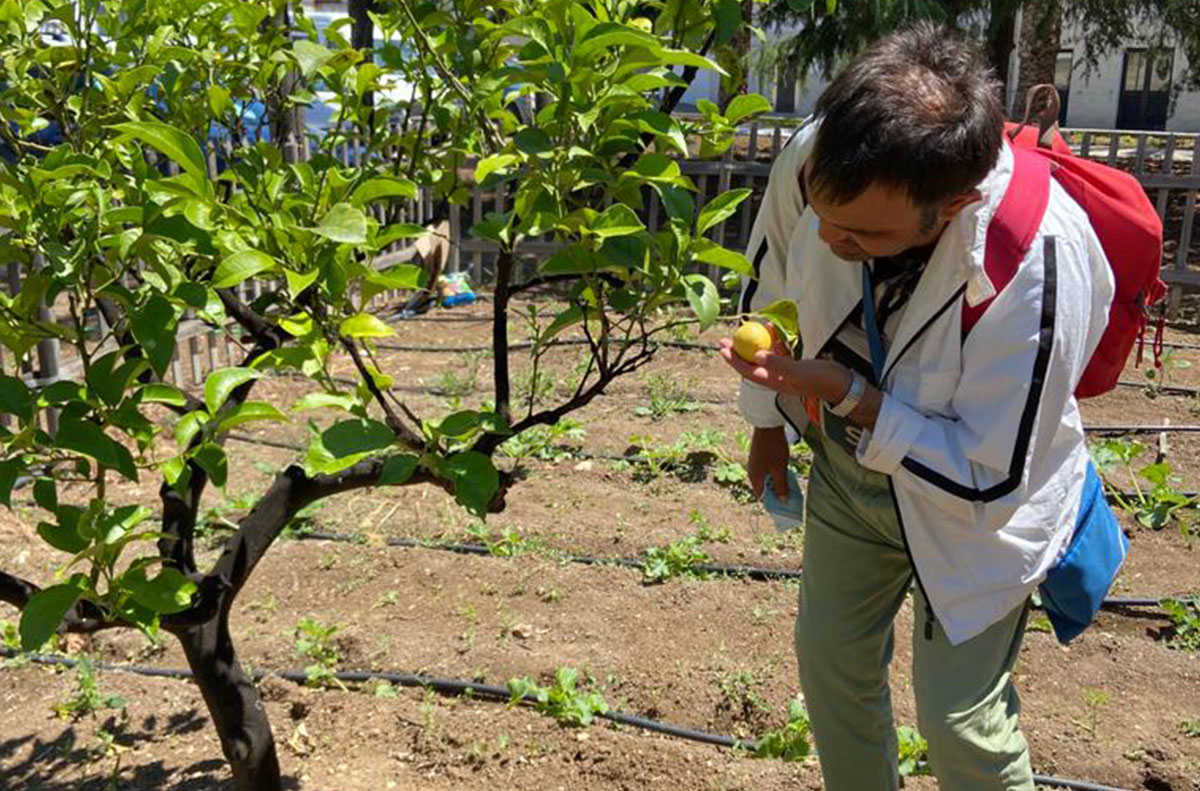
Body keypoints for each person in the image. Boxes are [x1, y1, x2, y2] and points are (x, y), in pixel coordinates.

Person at [718, 22, 1113, 791]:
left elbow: (989, 471)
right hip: (848, 475)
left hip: (974, 513)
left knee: (961, 722)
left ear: (953, 203)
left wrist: (854, 397)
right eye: (823, 211)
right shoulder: (826, 155)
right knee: (831, 669)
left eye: (863, 232)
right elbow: (773, 283)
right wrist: (766, 424)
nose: (827, 239)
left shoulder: (1037, 260)